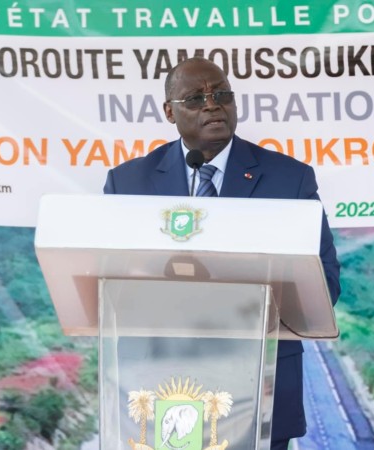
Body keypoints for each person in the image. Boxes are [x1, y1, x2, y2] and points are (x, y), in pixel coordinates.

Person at [103, 57, 341, 450]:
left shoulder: (288, 179)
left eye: (222, 95)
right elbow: (111, 282)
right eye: (195, 98)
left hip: (259, 387)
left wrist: (248, 300)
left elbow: (325, 281)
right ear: (169, 112)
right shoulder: (130, 182)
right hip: (161, 385)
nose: (213, 105)